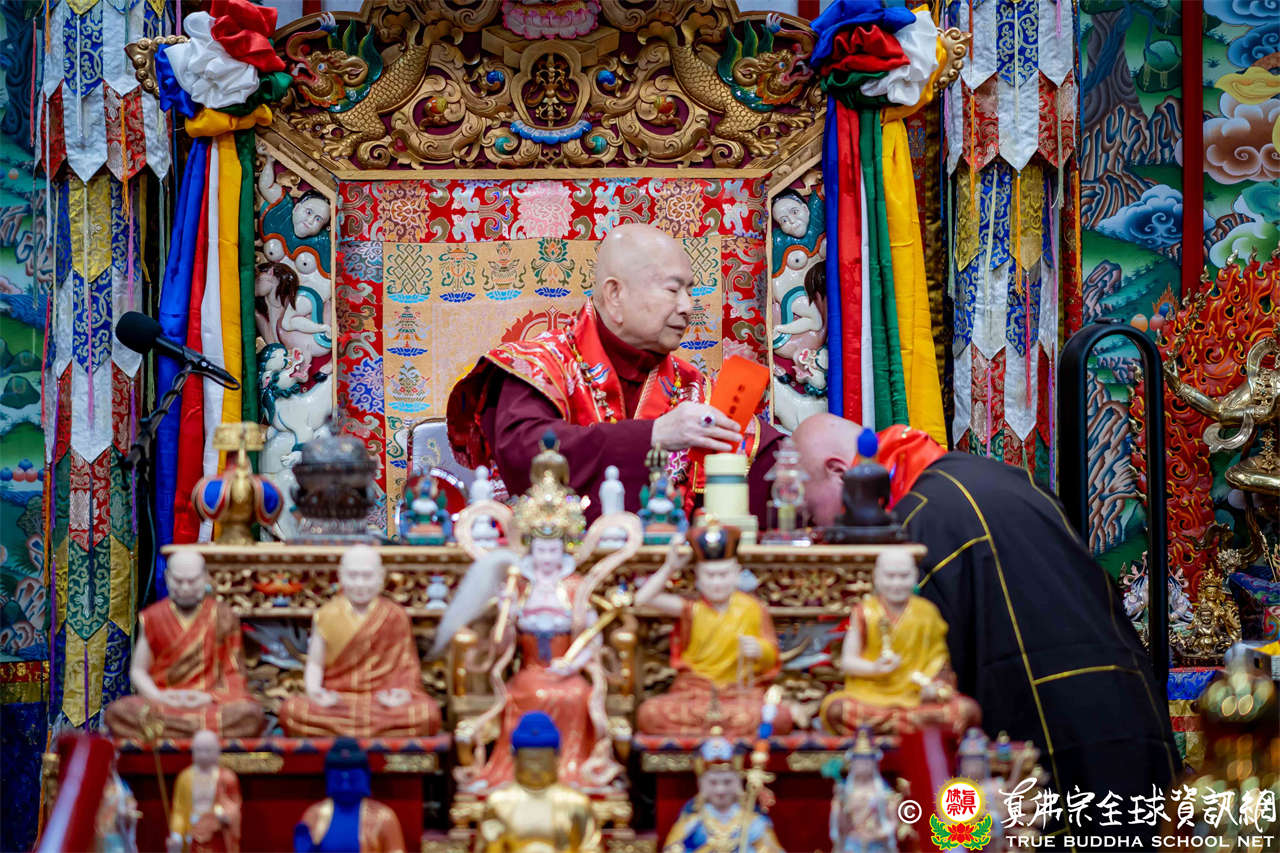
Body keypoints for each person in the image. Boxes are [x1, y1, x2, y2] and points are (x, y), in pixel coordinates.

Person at [792, 414, 1178, 805]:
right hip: (1130, 716)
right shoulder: (991, 476)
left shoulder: (912, 530)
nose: (816, 532)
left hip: (1052, 755)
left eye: (809, 514)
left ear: (839, 473)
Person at [447, 223, 783, 520]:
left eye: (690, 290)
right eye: (673, 290)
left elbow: (773, 466)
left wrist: (805, 455)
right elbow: (526, 457)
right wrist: (653, 436)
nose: (687, 306)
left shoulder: (693, 388)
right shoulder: (539, 366)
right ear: (615, 294)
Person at [634, 522, 794, 737]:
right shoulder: (692, 610)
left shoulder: (753, 609)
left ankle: (701, 732)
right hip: (695, 693)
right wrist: (670, 567)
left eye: (723, 574)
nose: (717, 583)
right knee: (649, 713)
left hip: (739, 695)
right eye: (710, 576)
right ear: (698, 578)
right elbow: (642, 599)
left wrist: (760, 650)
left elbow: (772, 656)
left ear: (736, 574)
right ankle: (726, 732)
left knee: (779, 717)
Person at [278, 545, 441, 737]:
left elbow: (408, 668)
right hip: (338, 701)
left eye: (367, 576)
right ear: (341, 577)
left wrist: (402, 694)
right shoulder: (327, 614)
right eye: (353, 576)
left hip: (383, 703)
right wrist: (315, 692)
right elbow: (315, 663)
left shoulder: (395, 615)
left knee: (427, 714)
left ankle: (345, 733)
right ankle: (373, 733)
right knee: (291, 710)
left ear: (381, 577)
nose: (360, 584)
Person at [819, 548, 980, 737]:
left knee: (968, 711)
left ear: (914, 577)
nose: (896, 584)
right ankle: (910, 729)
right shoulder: (865, 611)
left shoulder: (927, 613)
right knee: (836, 710)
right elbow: (848, 662)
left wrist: (934, 686)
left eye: (903, 576)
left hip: (916, 695)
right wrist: (875, 668)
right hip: (871, 695)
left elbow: (939, 662)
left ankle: (887, 728)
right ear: (877, 578)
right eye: (890, 576)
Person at [105, 551, 265, 739]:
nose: (185, 588)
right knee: (118, 713)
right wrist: (158, 696)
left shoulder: (223, 616)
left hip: (207, 703)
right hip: (164, 703)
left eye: (192, 581)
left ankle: (165, 731)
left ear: (205, 578)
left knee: (250, 715)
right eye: (178, 581)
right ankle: (200, 730)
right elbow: (138, 671)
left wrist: (209, 697)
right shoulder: (152, 617)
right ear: (167, 578)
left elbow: (234, 672)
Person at [477, 712, 601, 853]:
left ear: (557, 757)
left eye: (542, 762)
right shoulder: (499, 803)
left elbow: (591, 849)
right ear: (515, 758)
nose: (536, 769)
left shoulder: (576, 803)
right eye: (529, 761)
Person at [662, 735, 784, 853]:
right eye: (713, 783)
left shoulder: (753, 821)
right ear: (702, 785)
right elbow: (671, 849)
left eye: (727, 782)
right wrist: (708, 848)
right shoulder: (693, 820)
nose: (720, 790)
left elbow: (772, 849)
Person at [295, 738, 405, 852]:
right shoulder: (314, 815)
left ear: (366, 777)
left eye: (353, 779)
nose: (345, 787)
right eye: (338, 780)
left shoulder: (383, 817)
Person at [168, 730, 242, 853]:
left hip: (217, 833)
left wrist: (224, 815)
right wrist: (176, 834)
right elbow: (179, 811)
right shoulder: (185, 778)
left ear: (217, 751)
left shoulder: (226, 778)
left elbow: (235, 806)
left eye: (208, 750)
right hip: (193, 833)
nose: (203, 755)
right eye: (198, 750)